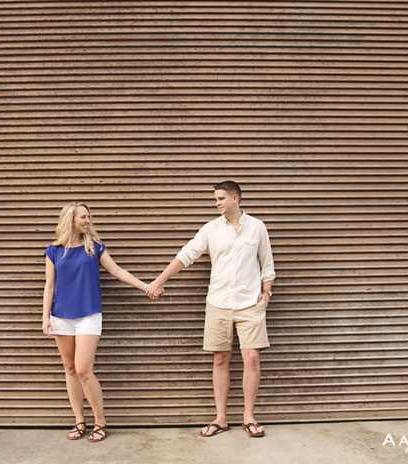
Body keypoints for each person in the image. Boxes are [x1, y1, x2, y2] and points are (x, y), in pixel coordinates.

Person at [147, 181, 275, 438]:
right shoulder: (210, 229)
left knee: (251, 358)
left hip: (250, 303)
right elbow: (186, 255)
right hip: (217, 303)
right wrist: (159, 281)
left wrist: (266, 293)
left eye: (220, 198)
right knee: (220, 359)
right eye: (215, 199)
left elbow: (267, 265)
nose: (217, 203)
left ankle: (248, 417)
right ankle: (221, 418)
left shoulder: (257, 227)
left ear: (235, 198)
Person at [42, 202, 152, 442]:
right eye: (83, 217)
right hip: (60, 316)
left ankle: (100, 422)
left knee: (83, 369)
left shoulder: (95, 248)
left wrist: (145, 286)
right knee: (69, 369)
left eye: (88, 217)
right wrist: (45, 316)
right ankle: (79, 421)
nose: (87, 221)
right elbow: (50, 284)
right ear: (70, 219)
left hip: (89, 315)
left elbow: (118, 271)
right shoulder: (53, 250)